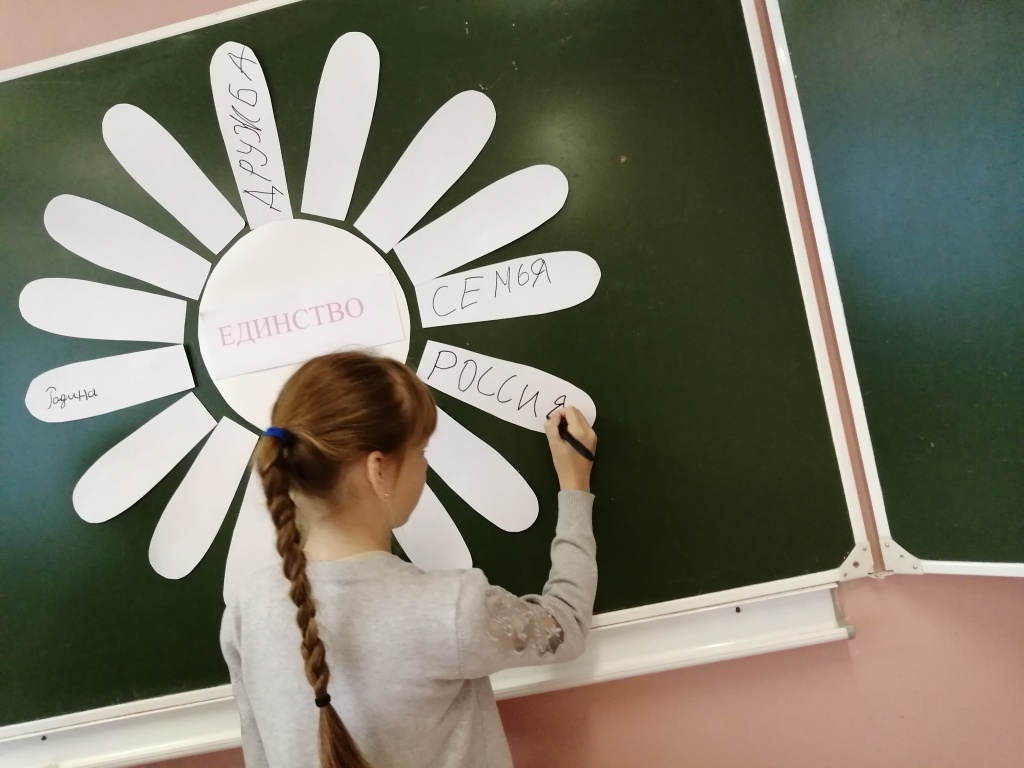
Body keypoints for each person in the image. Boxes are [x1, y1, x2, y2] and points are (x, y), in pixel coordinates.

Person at [220, 350, 598, 768]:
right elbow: (566, 625)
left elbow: (258, 752)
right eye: (420, 449)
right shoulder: (452, 609)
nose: (426, 464)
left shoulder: (247, 610)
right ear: (378, 470)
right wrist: (575, 485)